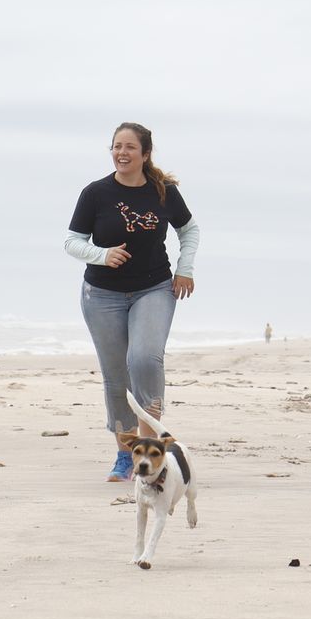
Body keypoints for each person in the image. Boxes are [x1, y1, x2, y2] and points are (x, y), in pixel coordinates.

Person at [66, 122, 200, 481]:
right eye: (116, 147)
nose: (122, 153)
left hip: (154, 288)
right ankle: (126, 454)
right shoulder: (95, 193)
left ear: (145, 154)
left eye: (130, 148)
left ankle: (151, 449)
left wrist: (184, 269)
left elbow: (189, 230)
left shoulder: (163, 192)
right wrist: (101, 254)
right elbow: (72, 241)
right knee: (116, 377)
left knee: (144, 359)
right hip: (102, 295)